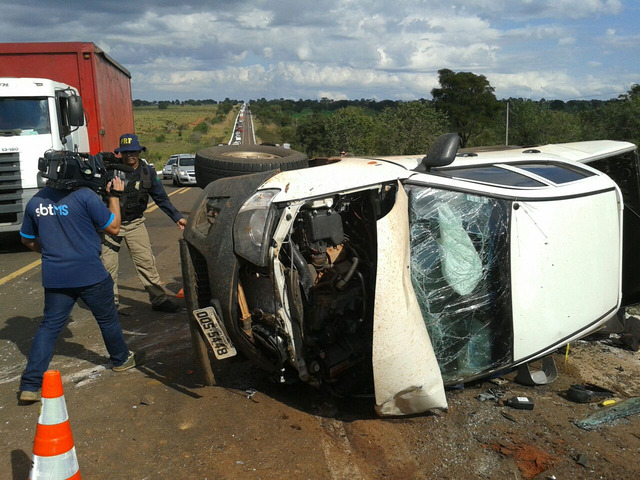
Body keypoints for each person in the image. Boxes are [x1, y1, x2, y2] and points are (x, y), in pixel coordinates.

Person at [18, 174, 139, 403]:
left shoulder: (36, 201)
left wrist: (52, 252)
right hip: (91, 274)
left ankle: (30, 385)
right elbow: (114, 227)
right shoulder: (85, 196)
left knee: (49, 327)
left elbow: (27, 239)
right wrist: (114, 196)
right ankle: (121, 359)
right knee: (107, 320)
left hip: (56, 277)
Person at [101, 133, 187, 313]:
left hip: (135, 223)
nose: (129, 155)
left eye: (133, 151)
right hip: (110, 224)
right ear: (120, 153)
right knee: (107, 266)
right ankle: (110, 304)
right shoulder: (110, 171)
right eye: (125, 152)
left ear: (139, 152)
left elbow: (161, 198)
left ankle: (159, 299)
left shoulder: (147, 172)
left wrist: (177, 216)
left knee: (146, 262)